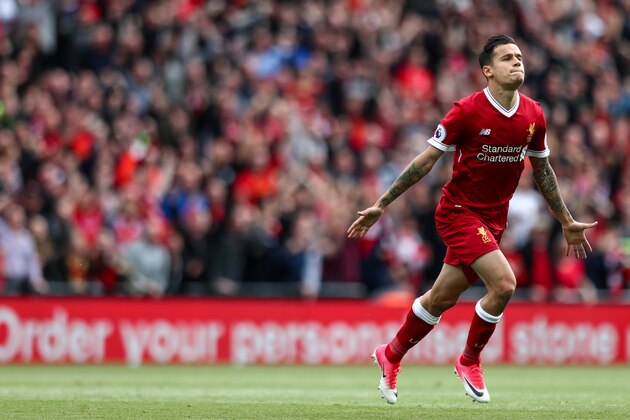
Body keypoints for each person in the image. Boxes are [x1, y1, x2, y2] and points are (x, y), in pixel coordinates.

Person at [347, 35, 598, 404]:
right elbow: (425, 161)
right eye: (507, 58)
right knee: (504, 284)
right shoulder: (466, 111)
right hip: (458, 213)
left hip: (495, 220)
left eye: (519, 57)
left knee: (439, 298)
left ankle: (390, 353)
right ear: (488, 70)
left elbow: (544, 171)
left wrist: (565, 219)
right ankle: (469, 360)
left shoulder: (533, 115)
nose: (517, 63)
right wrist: (382, 203)